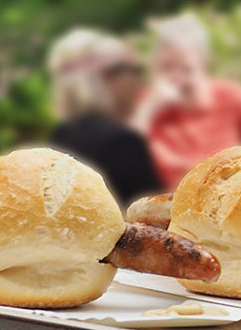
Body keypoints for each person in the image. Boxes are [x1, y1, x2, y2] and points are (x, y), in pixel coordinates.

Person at [135, 13, 241, 187]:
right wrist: (149, 108)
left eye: (185, 69)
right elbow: (124, 161)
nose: (175, 78)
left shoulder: (229, 97)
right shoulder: (148, 106)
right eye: (166, 68)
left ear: (204, 64)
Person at [46, 28, 162, 205]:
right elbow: (153, 215)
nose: (139, 81)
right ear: (107, 78)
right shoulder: (122, 143)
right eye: (135, 70)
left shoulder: (60, 136)